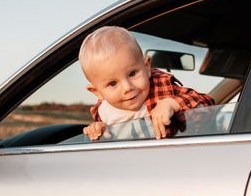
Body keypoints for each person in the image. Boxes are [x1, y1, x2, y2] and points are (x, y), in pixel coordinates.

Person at [79, 26, 215, 140]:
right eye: (113, 83)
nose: (127, 87)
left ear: (147, 66)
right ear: (97, 92)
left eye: (132, 74)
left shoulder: (162, 90)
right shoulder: (103, 112)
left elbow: (208, 105)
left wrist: (173, 104)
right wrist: (97, 130)